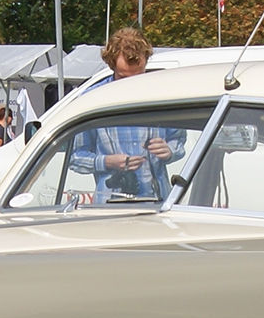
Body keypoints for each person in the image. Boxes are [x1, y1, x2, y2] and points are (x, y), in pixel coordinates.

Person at [68, 28, 186, 202]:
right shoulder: (93, 99)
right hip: (111, 203)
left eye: (138, 76)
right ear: (111, 65)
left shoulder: (162, 96)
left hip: (157, 201)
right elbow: (75, 157)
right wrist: (107, 162)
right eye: (123, 77)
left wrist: (169, 150)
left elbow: (179, 141)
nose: (131, 84)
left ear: (145, 63)